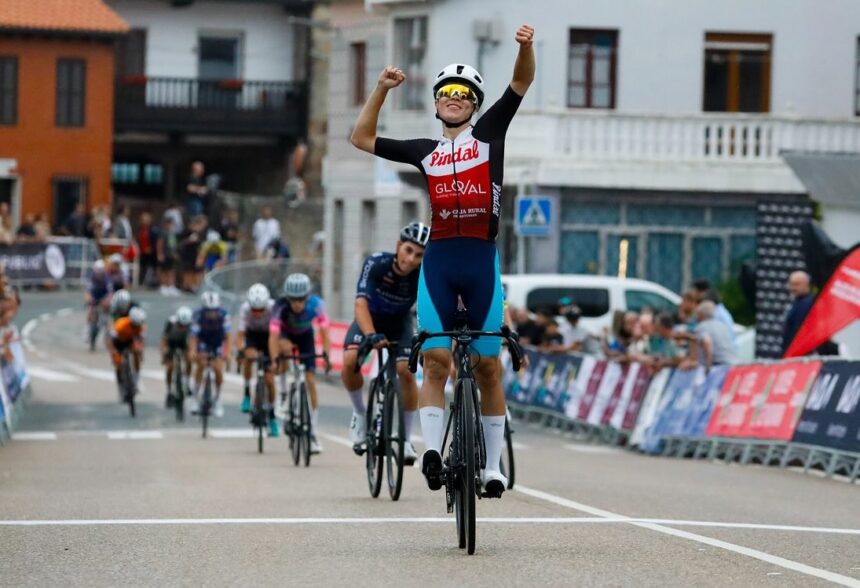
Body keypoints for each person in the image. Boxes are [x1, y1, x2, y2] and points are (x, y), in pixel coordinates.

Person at [350, 23, 535, 498]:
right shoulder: (424, 152)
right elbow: (361, 138)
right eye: (447, 92)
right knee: (434, 361)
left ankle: (492, 467)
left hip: (480, 262)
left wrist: (525, 48)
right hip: (439, 264)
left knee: (489, 366)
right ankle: (431, 452)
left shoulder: (490, 135)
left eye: (464, 93)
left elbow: (520, 83)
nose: (455, 98)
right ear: (436, 103)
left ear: (474, 104)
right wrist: (380, 90)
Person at [341, 222, 429, 464]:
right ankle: (360, 414)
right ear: (399, 246)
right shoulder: (376, 263)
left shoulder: (423, 275)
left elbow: (427, 309)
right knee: (349, 360)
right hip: (369, 320)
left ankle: (405, 438)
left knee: (407, 372)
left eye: (419, 255)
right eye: (409, 251)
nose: (411, 259)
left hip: (400, 324)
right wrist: (371, 335)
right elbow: (360, 304)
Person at [269, 273, 332, 454]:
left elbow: (324, 332)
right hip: (285, 336)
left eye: (301, 299)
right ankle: (282, 394)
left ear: (307, 297)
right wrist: (274, 359)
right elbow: (273, 336)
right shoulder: (279, 307)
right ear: (287, 298)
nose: (297, 303)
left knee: (310, 381)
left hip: (305, 337)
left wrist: (326, 355)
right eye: (293, 299)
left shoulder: (316, 305)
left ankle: (312, 432)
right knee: (285, 349)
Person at [237, 283, 278, 437]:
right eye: (255, 310)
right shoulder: (245, 309)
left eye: (261, 310)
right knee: (249, 357)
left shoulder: (274, 308)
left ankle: (273, 416)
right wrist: (241, 350)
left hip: (270, 337)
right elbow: (240, 334)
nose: (258, 313)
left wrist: (275, 356)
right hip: (253, 336)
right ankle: (247, 394)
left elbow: (278, 334)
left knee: (270, 380)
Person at [189, 291, 231, 417]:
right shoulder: (197, 314)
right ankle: (195, 399)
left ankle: (218, 400)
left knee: (218, 369)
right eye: (208, 311)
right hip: (203, 340)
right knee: (201, 364)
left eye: (214, 310)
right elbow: (193, 337)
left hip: (217, 341)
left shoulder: (224, 315)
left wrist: (226, 353)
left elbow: (228, 337)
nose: (211, 313)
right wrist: (193, 351)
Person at [106, 306, 146, 400]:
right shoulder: (121, 324)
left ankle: (137, 378)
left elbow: (141, 340)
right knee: (118, 364)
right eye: (134, 325)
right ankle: (120, 387)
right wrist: (113, 351)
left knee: (137, 352)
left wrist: (140, 352)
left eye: (137, 325)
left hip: (129, 341)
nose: (136, 327)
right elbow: (110, 340)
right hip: (118, 343)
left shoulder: (140, 326)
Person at [161, 306, 193, 409]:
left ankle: (187, 383)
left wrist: (192, 352)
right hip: (171, 343)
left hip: (184, 343)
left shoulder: (192, 324)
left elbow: (193, 340)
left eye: (185, 325)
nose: (183, 327)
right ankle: (169, 391)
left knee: (189, 359)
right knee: (169, 367)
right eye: (181, 325)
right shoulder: (171, 323)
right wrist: (164, 354)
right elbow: (164, 340)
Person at [84, 260, 112, 346]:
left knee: (108, 314)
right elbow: (87, 292)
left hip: (104, 297)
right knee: (91, 311)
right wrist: (88, 300)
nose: (99, 272)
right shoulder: (91, 277)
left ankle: (109, 334)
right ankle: (88, 329)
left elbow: (110, 292)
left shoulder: (107, 278)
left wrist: (107, 300)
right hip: (94, 297)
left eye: (101, 270)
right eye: (98, 270)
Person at [137, 212, 157, 288]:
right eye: (143, 220)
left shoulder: (153, 230)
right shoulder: (140, 230)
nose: (144, 221)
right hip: (142, 252)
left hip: (151, 252)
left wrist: (151, 248)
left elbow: (155, 241)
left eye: (146, 220)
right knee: (143, 268)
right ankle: (141, 283)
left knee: (151, 268)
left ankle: (151, 283)